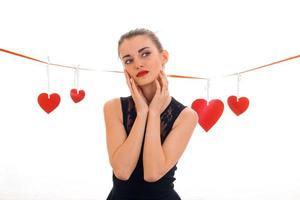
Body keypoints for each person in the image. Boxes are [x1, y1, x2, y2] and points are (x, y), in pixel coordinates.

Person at [103, 28, 198, 200]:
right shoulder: (113, 107)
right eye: (128, 60)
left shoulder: (186, 116)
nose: (138, 64)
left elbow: (152, 174)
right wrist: (142, 113)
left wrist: (153, 113)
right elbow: (122, 172)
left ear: (164, 57)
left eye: (145, 54)